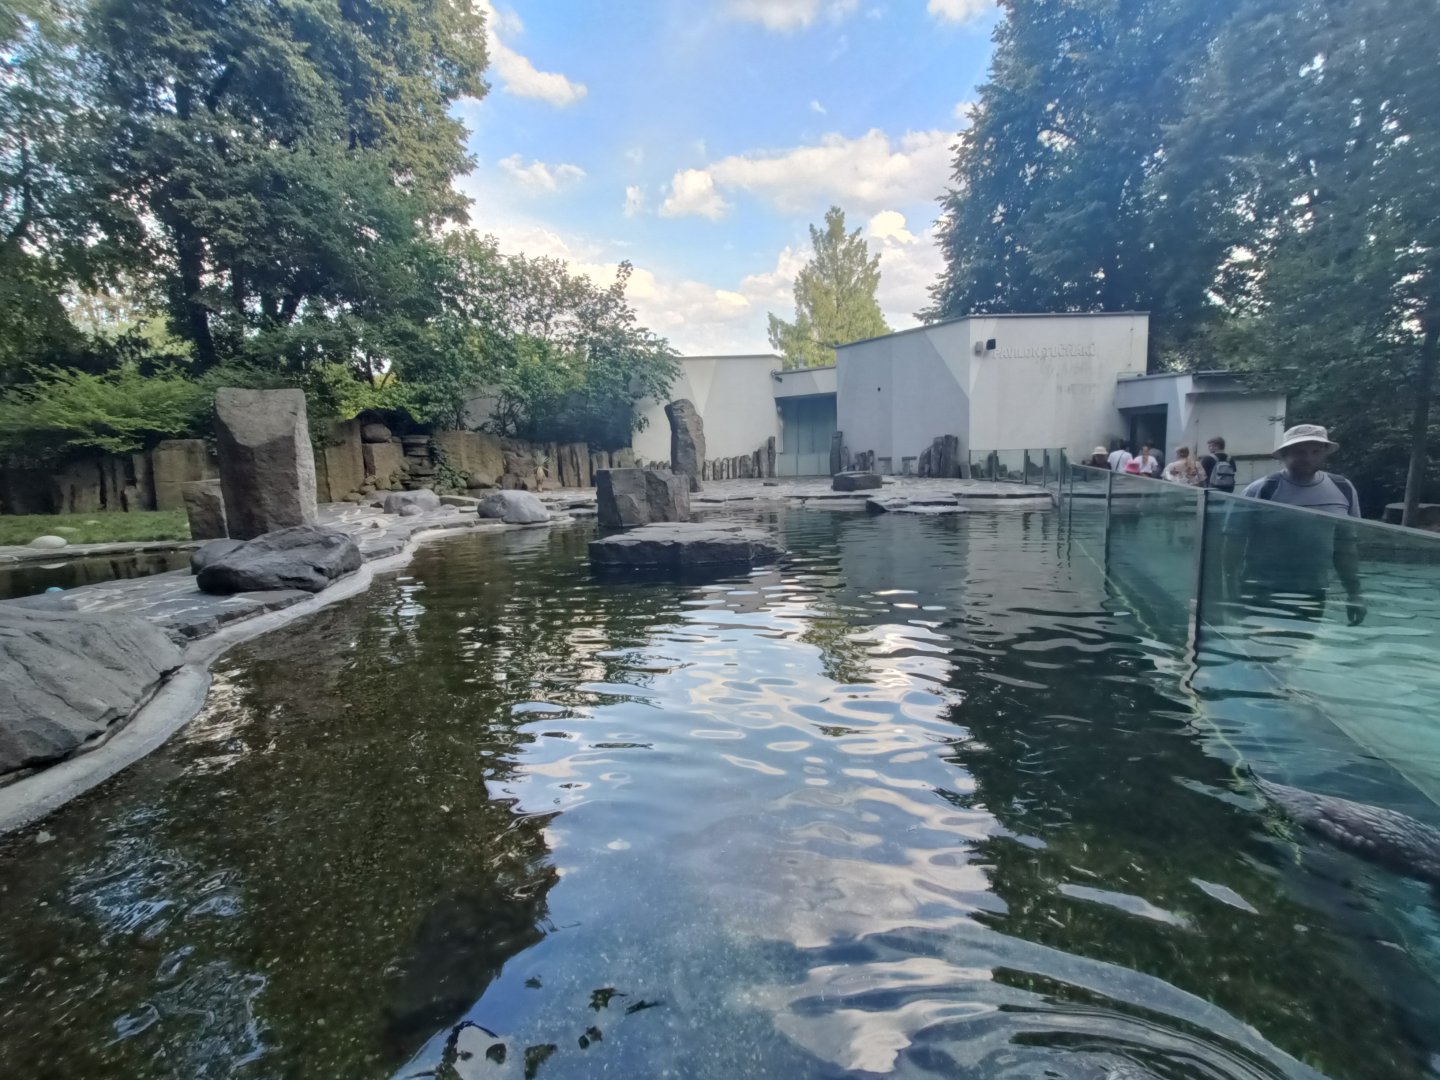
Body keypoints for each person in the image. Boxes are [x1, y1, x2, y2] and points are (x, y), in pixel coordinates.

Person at [1228, 423, 1365, 625]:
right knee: (1259, 652)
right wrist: (1230, 592)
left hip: (1314, 591)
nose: (1308, 458)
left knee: (1299, 651)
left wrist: (1355, 594)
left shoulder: (1343, 489)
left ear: (1325, 453)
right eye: (1300, 452)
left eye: (1315, 451)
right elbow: (1231, 546)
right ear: (1284, 455)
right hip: (1261, 590)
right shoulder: (1261, 490)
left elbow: (1346, 548)